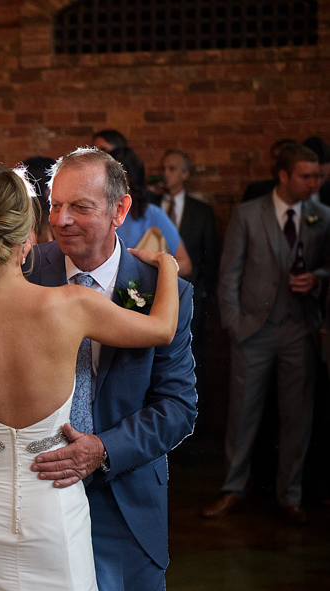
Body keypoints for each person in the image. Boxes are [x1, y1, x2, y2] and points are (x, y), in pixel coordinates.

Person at [0, 148, 197, 591]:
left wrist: (103, 450)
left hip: (123, 499)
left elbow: (178, 408)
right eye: (55, 205)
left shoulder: (161, 292)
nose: (62, 220)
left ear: (120, 210)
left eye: (80, 207)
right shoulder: (16, 266)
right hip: (26, 495)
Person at [202, 144, 330, 525]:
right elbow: (230, 274)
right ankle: (232, 489)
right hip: (252, 330)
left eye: (317, 176)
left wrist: (318, 280)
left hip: (300, 330)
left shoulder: (322, 216)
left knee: (297, 416)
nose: (315, 182)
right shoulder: (247, 214)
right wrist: (233, 324)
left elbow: (328, 267)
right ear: (284, 176)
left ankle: (289, 495)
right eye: (306, 176)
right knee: (242, 414)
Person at [159, 150, 219, 380]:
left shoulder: (201, 212)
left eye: (171, 169)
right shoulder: (151, 208)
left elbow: (210, 258)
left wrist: (201, 292)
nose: (165, 174)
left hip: (190, 297)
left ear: (185, 174)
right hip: (152, 296)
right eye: (162, 169)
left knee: (191, 361)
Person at [110, 147, 193, 278]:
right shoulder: (97, 214)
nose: (112, 188)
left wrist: (150, 274)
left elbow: (185, 264)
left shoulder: (152, 214)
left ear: (132, 181)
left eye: (119, 180)